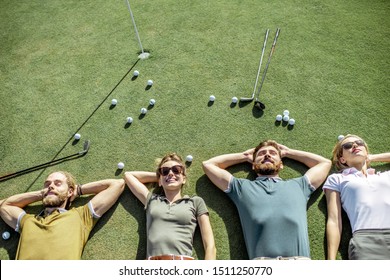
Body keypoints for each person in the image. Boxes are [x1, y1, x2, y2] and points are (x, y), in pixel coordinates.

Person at [202, 140, 331, 260]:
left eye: (273, 153)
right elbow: (208, 165)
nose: (267, 155)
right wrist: (244, 155)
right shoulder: (241, 188)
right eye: (261, 154)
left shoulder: (300, 185)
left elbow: (325, 163)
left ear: (281, 165)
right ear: (253, 165)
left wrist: (288, 152)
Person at [0, 171, 125, 259]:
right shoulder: (28, 221)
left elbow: (117, 184)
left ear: (70, 191)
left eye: (57, 183)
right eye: (47, 184)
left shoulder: (80, 216)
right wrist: (42, 194)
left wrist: (79, 190)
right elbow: (5, 206)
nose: (51, 186)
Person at [124, 153, 216, 260]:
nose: (171, 173)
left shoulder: (195, 202)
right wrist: (161, 177)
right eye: (166, 171)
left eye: (176, 170)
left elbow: (210, 245)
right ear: (159, 181)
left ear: (184, 179)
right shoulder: (152, 200)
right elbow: (128, 175)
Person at [323, 134, 390, 260]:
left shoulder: (386, 175)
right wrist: (331, 260)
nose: (355, 145)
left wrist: (371, 157)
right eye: (347, 146)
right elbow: (334, 220)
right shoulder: (337, 178)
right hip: (366, 241)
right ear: (342, 159)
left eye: (359, 143)